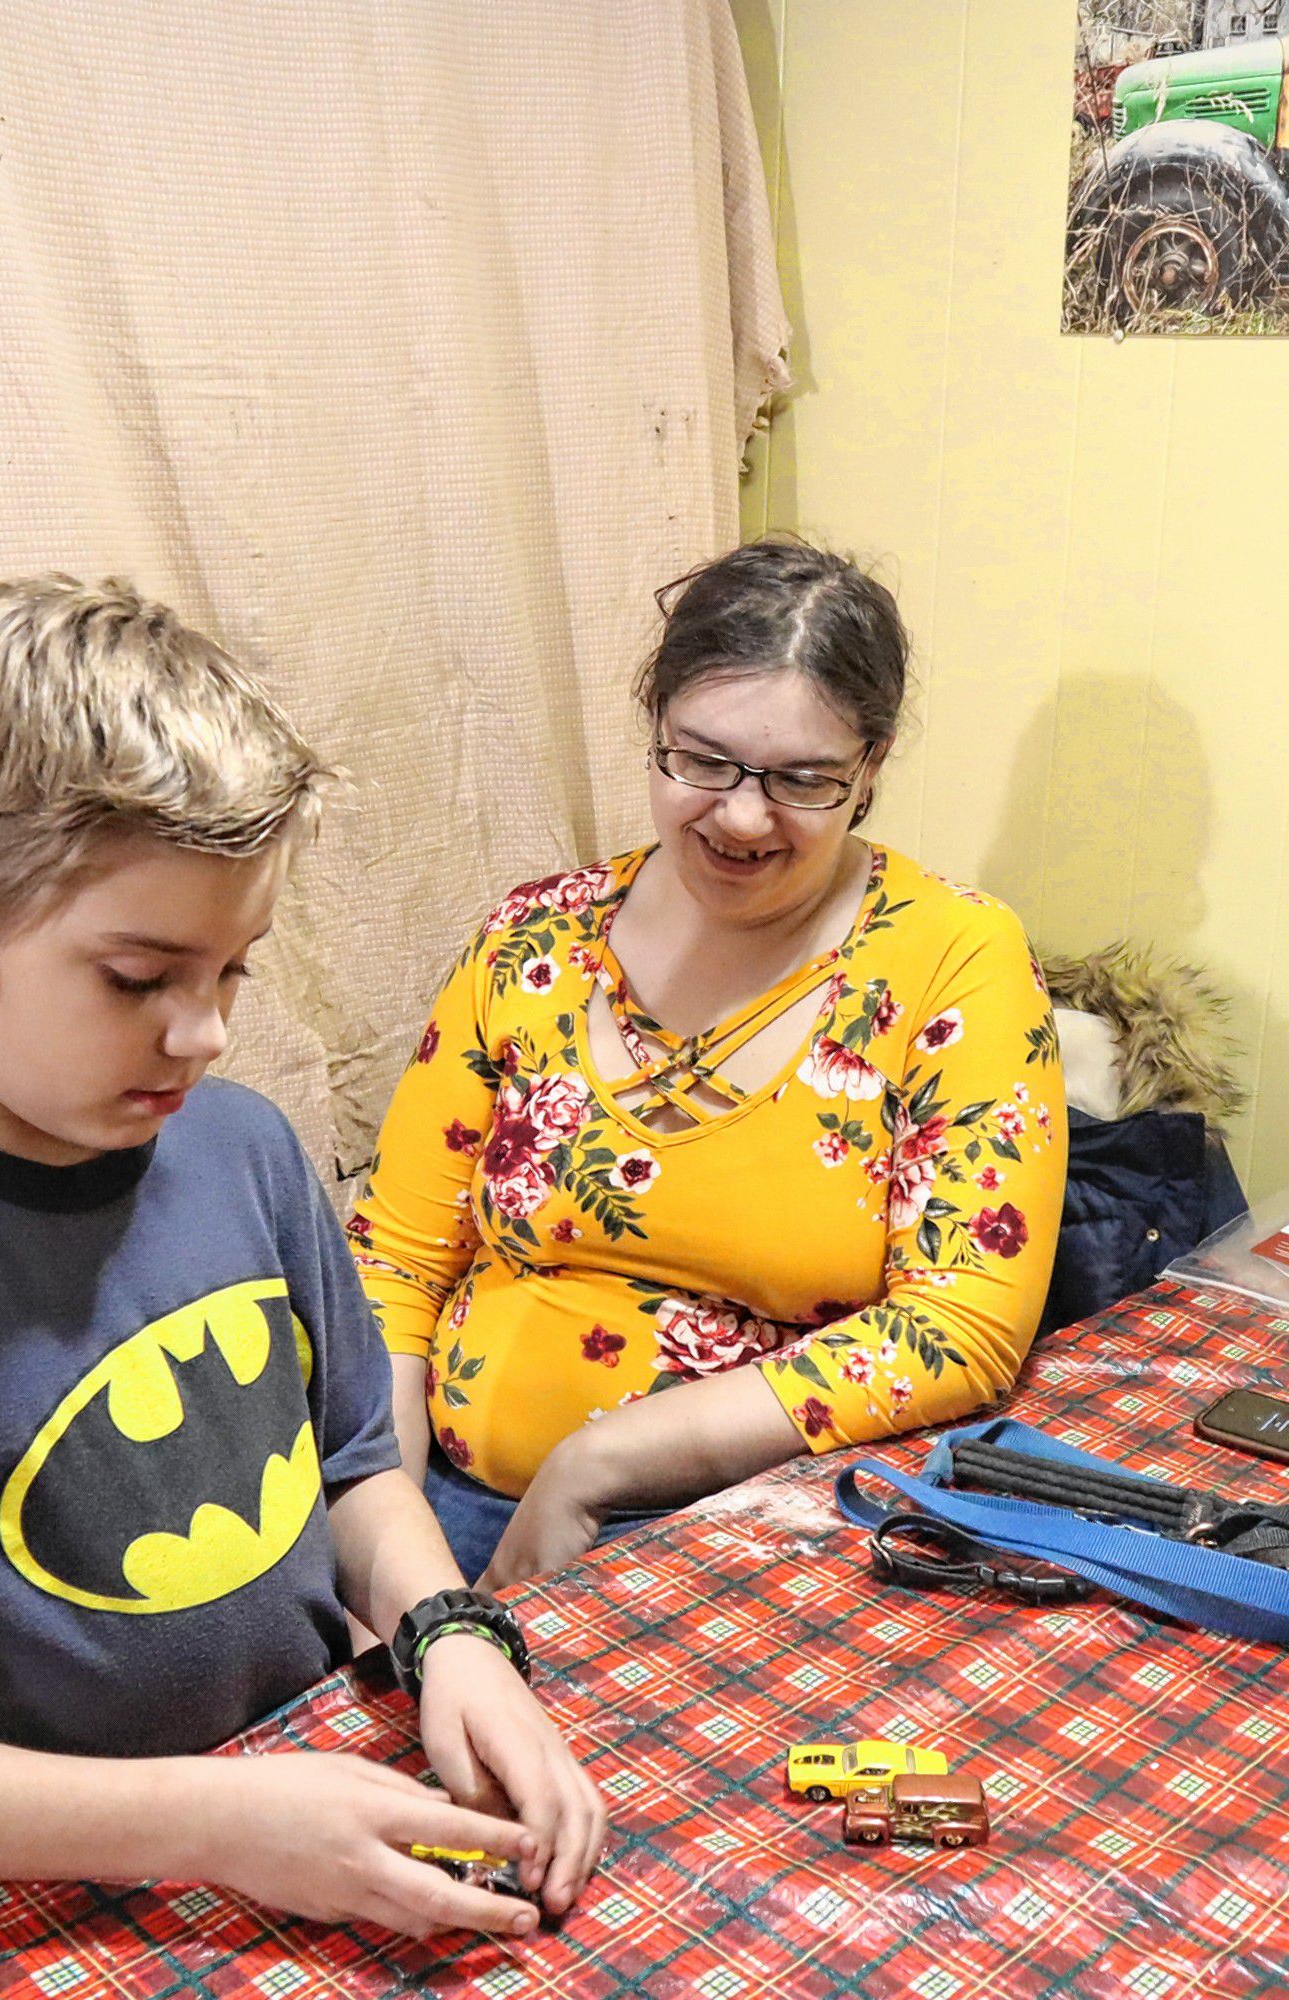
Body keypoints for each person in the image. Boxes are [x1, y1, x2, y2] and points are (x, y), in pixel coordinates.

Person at [0, 577, 602, 1937]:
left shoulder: (244, 1151)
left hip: (280, 1827)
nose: (203, 1033)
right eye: (136, 977)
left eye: (233, 973)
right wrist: (205, 1824)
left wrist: (450, 1633)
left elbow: (349, 1472)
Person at [350, 540, 1068, 1586]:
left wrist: (595, 1463)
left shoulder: (954, 959)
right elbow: (397, 1263)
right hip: (447, 1503)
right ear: (655, 725)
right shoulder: (534, 937)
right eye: (701, 759)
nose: (739, 815)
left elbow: (961, 1325)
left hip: (754, 1535)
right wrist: (390, 1550)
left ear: (872, 765)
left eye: (802, 780)